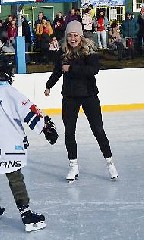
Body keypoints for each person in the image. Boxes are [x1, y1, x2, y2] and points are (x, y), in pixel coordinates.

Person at [0, 55, 58, 232]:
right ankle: (26, 215)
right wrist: (45, 128)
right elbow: (28, 110)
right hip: (4, 141)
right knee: (15, 175)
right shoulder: (8, 91)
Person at [44, 20, 118, 182]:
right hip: (70, 97)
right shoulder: (62, 53)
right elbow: (57, 72)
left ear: (81, 36)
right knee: (69, 132)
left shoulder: (89, 52)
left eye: (75, 35)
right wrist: (49, 86)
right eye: (70, 35)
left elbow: (93, 70)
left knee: (98, 130)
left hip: (89, 95)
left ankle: (110, 162)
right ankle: (73, 166)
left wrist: (71, 68)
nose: (72, 39)